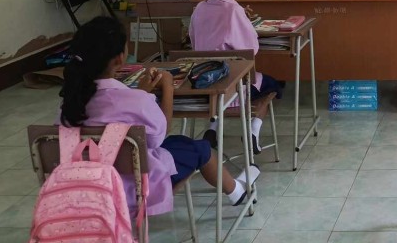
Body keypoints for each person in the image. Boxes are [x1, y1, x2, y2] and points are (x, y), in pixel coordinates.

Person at [59, 16, 258, 216]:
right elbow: (159, 136)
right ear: (120, 58)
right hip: (135, 188)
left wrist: (141, 93)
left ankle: (236, 189)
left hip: (88, 190)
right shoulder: (135, 100)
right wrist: (167, 87)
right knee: (202, 148)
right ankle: (237, 192)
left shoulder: (69, 105)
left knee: (179, 143)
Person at [190, 0, 284, 153]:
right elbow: (250, 50)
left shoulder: (199, 8)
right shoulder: (233, 9)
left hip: (204, 83)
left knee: (225, 87)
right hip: (234, 87)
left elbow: (194, 39)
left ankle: (213, 128)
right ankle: (253, 130)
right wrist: (244, 21)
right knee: (272, 85)